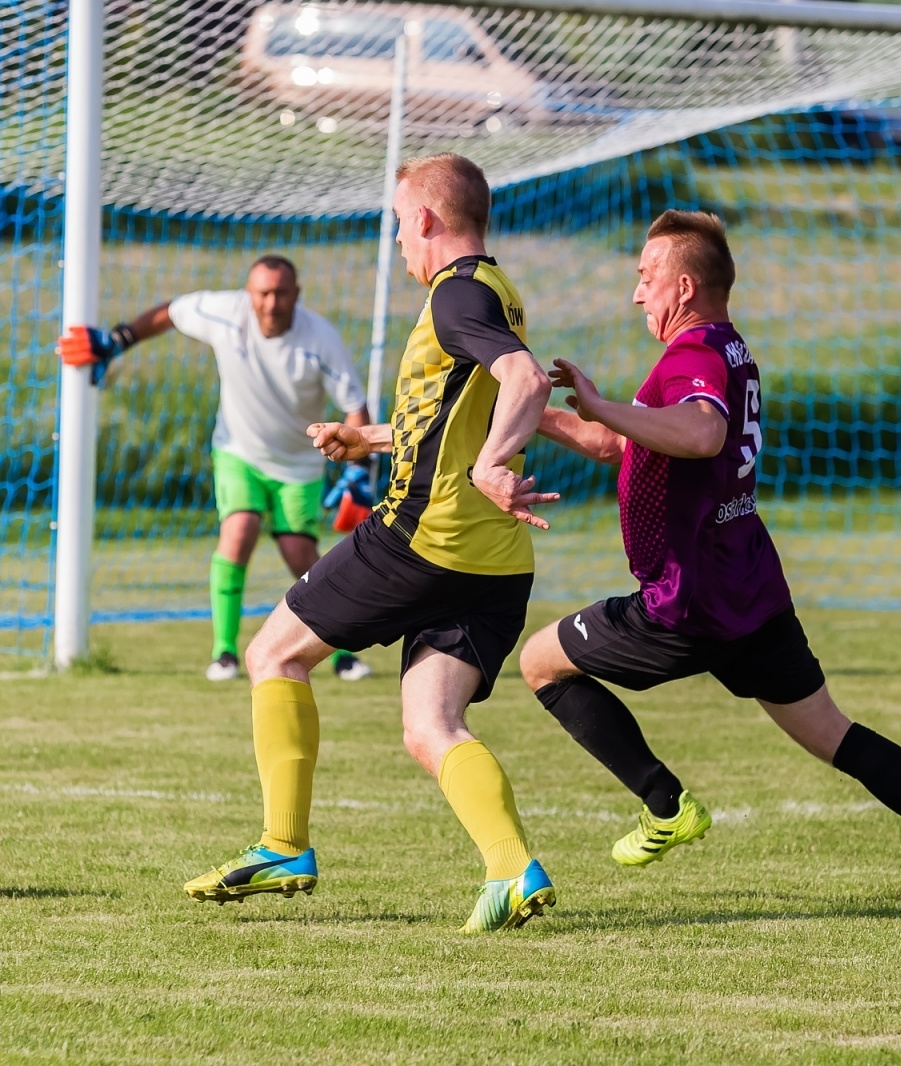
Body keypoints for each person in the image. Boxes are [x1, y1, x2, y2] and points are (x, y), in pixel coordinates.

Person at [519, 210, 901, 905]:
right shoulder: (727, 349)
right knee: (832, 734)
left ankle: (666, 805)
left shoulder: (691, 359)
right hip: (750, 590)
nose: (637, 294)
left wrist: (602, 406)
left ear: (685, 287)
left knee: (539, 663)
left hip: (684, 601)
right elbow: (621, 446)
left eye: (645, 277)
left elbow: (698, 434)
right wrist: (539, 409)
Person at [181, 153, 562, 933]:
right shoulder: (497, 292)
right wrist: (368, 439)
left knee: (272, 656)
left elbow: (525, 382)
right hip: (495, 562)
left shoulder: (455, 295)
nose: (395, 239)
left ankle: (284, 845)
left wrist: (491, 464)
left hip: (423, 538)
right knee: (432, 726)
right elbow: (455, 415)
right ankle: (513, 870)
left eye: (396, 222)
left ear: (424, 219)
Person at [57, 256, 373, 683]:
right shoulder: (225, 314)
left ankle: (343, 654)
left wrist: (359, 471)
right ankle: (224, 652)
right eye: (262, 292)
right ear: (249, 294)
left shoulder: (321, 338)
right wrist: (118, 340)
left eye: (281, 293)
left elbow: (356, 409)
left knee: (300, 553)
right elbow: (169, 313)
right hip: (237, 451)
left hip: (299, 464)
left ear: (296, 294)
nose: (271, 302)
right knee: (238, 531)